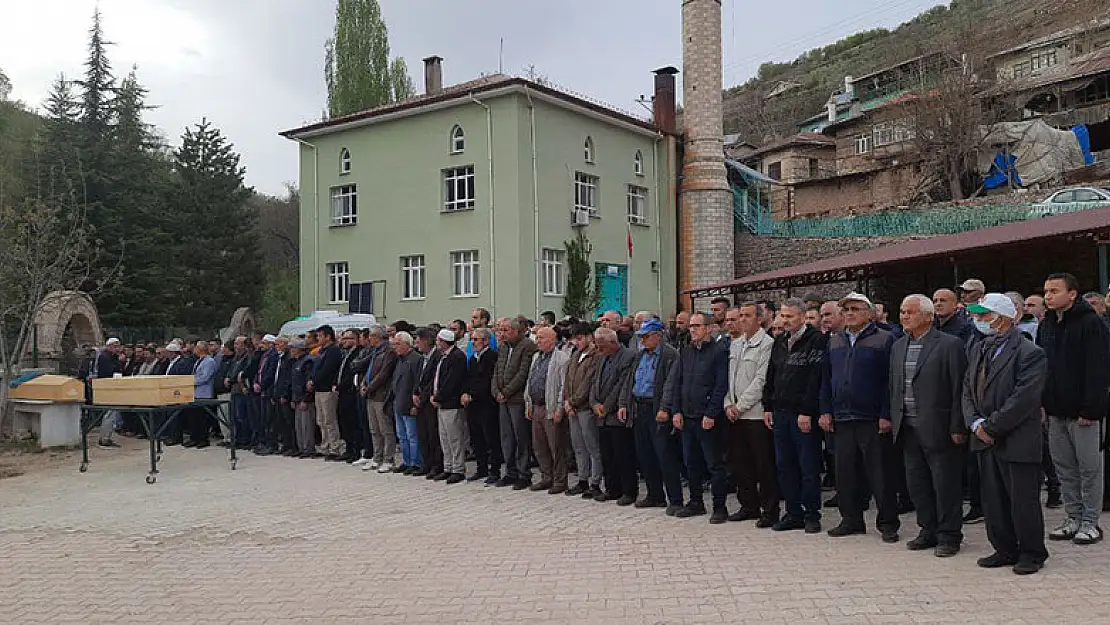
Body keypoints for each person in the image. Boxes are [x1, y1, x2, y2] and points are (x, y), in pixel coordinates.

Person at [964, 293, 1049, 575]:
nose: (979, 321)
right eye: (978, 315)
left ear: (1002, 318)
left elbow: (1023, 399)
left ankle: (1031, 552)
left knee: (1022, 499)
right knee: (993, 498)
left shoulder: (1029, 353)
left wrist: (992, 426)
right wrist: (975, 422)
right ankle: (1004, 547)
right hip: (984, 437)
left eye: (985, 315)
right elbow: (967, 390)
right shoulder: (979, 348)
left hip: (1016, 437)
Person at [890, 295, 968, 558]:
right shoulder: (898, 346)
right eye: (901, 312)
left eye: (910, 312)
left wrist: (958, 425)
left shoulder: (949, 345)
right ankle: (928, 530)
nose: (904, 316)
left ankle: (949, 535)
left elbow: (959, 388)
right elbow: (895, 387)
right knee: (917, 483)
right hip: (908, 427)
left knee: (945, 484)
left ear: (927, 315)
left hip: (940, 427)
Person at [819, 292, 900, 543]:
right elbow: (826, 378)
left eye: (855, 308)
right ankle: (851, 520)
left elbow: (891, 381)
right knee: (845, 473)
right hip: (842, 417)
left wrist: (886, 413)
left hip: (872, 418)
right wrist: (825, 410)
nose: (850, 313)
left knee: (880, 474)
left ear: (869, 312)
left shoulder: (885, 339)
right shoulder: (835, 341)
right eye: (846, 310)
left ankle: (888, 523)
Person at [1040, 273, 1110, 545]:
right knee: (1064, 468)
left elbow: (1098, 369)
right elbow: (1042, 367)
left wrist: (1091, 409)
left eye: (1054, 291)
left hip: (1084, 413)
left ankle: (1091, 522)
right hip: (1056, 411)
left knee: (1090, 469)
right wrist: (1043, 403)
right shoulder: (1047, 324)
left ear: (1072, 294)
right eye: (1046, 291)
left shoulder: (1091, 323)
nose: (1048, 296)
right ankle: (1073, 517)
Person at [763, 298, 828, 534]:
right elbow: (771, 375)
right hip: (779, 414)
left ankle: (812, 515)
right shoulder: (779, 342)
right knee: (785, 466)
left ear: (802, 317)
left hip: (803, 415)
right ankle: (793, 513)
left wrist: (807, 411)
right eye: (783, 315)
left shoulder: (818, 341)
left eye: (790, 316)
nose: (785, 320)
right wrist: (767, 406)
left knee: (808, 467)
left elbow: (815, 379)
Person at [663, 313, 730, 522]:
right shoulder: (686, 352)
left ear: (709, 328)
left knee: (714, 464)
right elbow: (677, 383)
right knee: (691, 463)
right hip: (687, 415)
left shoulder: (718, 352)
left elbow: (721, 385)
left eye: (697, 326)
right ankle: (695, 502)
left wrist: (711, 413)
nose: (692, 330)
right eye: (691, 326)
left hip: (707, 417)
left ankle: (720, 507)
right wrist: (676, 410)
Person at [722, 303, 778, 527]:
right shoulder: (735, 345)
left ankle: (770, 510)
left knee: (763, 466)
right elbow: (728, 378)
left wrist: (740, 405)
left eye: (747, 316)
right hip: (734, 415)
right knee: (740, 464)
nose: (743, 320)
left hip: (754, 415)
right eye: (740, 316)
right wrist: (728, 404)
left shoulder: (767, 344)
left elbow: (761, 380)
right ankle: (748, 506)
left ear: (759, 319)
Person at [618, 318, 680, 511]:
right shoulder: (640, 355)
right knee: (645, 455)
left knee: (664, 455)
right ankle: (655, 495)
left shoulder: (670, 355)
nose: (642, 341)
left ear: (657, 336)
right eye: (641, 337)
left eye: (645, 337)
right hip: (640, 407)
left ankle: (675, 499)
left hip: (657, 409)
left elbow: (671, 384)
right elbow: (631, 380)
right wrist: (624, 403)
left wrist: (665, 408)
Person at [590, 327, 639, 505]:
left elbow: (622, 384)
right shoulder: (602, 357)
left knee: (622, 454)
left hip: (617, 413)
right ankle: (612, 488)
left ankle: (628, 491)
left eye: (602, 346)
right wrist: (594, 402)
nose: (599, 350)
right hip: (601, 414)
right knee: (607, 454)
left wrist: (607, 406)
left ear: (613, 342)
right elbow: (595, 381)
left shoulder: (628, 356)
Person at [492, 318, 538, 489]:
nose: (502, 334)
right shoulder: (503, 347)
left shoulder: (527, 346)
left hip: (517, 399)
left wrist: (506, 392)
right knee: (506, 437)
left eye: (506, 330)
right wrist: (496, 391)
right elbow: (497, 370)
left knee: (521, 437)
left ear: (517, 331)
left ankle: (523, 473)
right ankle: (510, 472)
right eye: (501, 330)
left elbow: (523, 373)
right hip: (502, 399)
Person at [525, 326, 571, 494]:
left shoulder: (562, 359)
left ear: (552, 339)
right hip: (536, 405)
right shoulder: (537, 357)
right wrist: (528, 403)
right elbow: (530, 380)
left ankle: (560, 480)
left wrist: (559, 408)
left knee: (556, 446)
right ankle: (546, 477)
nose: (538, 341)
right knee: (539, 445)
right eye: (537, 338)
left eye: (542, 338)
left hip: (550, 407)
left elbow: (563, 386)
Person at [564, 323, 604, 499]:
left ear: (589, 337)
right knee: (578, 446)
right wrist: (567, 400)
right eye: (574, 339)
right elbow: (568, 379)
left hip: (586, 407)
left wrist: (573, 401)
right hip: (573, 407)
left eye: (579, 338)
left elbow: (588, 383)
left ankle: (595, 482)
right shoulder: (576, 355)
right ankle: (582, 479)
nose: (576, 342)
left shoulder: (596, 356)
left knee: (592, 446)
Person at [462, 327, 500, 483]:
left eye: (476, 339)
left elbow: (487, 381)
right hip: (472, 405)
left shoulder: (491, 357)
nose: (473, 342)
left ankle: (495, 471)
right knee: (477, 438)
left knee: (491, 438)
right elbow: (468, 379)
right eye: (472, 339)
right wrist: (465, 393)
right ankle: (481, 468)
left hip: (486, 404)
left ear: (486, 341)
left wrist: (473, 395)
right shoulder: (472, 359)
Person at [432, 328, 469, 484]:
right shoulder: (444, 357)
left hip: (451, 403)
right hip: (442, 403)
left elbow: (451, 382)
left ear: (443, 341)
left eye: (438, 340)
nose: (436, 343)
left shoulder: (457, 357)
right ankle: (448, 467)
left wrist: (438, 396)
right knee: (445, 438)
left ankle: (458, 469)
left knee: (455, 438)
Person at [363, 326, 398, 472]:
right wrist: (364, 382)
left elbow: (384, 374)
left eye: (371, 335)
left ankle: (388, 459)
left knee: (385, 429)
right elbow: (370, 369)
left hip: (381, 394)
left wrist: (369, 387)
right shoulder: (375, 351)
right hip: (371, 395)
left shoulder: (388, 351)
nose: (369, 338)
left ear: (378, 336)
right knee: (374, 429)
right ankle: (377, 457)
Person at [389, 332, 422, 474]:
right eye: (394, 344)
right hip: (398, 403)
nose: (395, 347)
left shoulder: (416, 359)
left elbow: (417, 382)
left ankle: (415, 462)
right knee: (402, 435)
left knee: (412, 436)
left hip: (409, 404)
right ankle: (406, 460)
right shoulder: (400, 360)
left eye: (398, 344)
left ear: (407, 344)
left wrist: (415, 404)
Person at [413, 328, 444, 478]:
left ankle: (436, 465)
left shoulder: (437, 357)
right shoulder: (421, 357)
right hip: (420, 401)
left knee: (433, 435)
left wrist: (423, 397)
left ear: (426, 341)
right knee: (423, 434)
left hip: (430, 401)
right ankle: (426, 463)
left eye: (418, 341)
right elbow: (418, 379)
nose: (416, 344)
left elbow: (433, 381)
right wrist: (414, 394)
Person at [312, 325, 344, 461]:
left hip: (327, 389)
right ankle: (325, 445)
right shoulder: (321, 351)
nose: (317, 338)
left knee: (329, 420)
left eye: (320, 336)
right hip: (318, 389)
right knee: (320, 420)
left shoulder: (333, 351)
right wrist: (311, 379)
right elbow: (316, 368)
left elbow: (327, 370)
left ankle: (334, 447)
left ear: (328, 336)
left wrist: (314, 380)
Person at [185, 341, 217, 449]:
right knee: (193, 417)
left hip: (204, 393)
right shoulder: (198, 361)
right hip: (195, 393)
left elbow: (205, 377)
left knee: (202, 417)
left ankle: (203, 439)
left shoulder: (209, 361)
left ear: (201, 349)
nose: (194, 350)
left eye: (196, 348)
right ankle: (194, 437)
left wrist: (191, 381)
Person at [289, 339, 317, 458]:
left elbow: (308, 383)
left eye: (293, 348)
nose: (291, 350)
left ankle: (308, 449)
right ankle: (301, 448)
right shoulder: (296, 362)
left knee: (307, 426)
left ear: (300, 349)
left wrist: (306, 399)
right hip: (296, 398)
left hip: (305, 399)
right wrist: (293, 398)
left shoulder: (308, 361)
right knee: (299, 425)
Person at [94, 338, 123, 448]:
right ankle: (104, 438)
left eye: (118, 346)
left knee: (112, 413)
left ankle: (106, 436)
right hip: (108, 387)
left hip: (112, 387)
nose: (117, 348)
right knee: (110, 413)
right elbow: (110, 372)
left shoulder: (112, 357)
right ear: (109, 346)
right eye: (115, 346)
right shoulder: (105, 357)